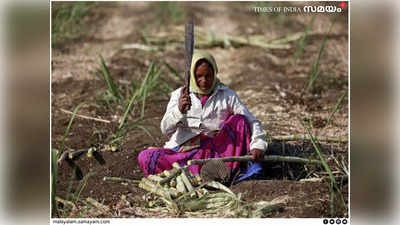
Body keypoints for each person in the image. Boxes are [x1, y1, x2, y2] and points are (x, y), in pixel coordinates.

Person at [138, 50, 268, 178]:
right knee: (146, 157)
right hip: (185, 152)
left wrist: (258, 145)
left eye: (208, 76)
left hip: (217, 151)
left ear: (215, 74)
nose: (204, 81)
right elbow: (165, 130)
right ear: (192, 76)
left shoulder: (227, 95)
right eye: (199, 76)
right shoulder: (180, 95)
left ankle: (216, 171)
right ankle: (202, 171)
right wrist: (179, 110)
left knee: (240, 120)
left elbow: (252, 122)